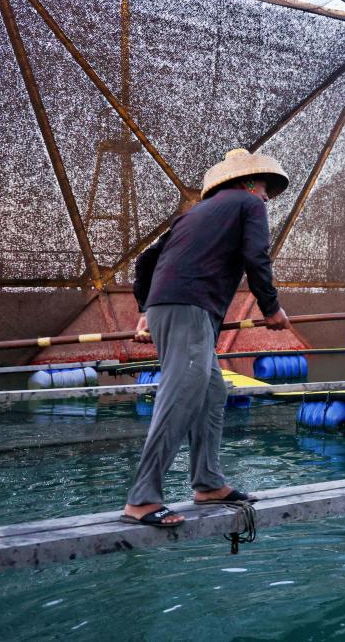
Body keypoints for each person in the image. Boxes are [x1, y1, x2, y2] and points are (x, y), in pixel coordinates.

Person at [122, 148, 292, 527]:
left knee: (212, 391)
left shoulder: (193, 215)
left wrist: (146, 310)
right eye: (265, 188)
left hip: (174, 307)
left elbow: (147, 261)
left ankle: (208, 482)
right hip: (190, 307)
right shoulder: (249, 205)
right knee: (182, 391)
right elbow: (257, 256)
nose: (267, 197)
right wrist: (271, 307)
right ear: (249, 182)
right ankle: (142, 499)